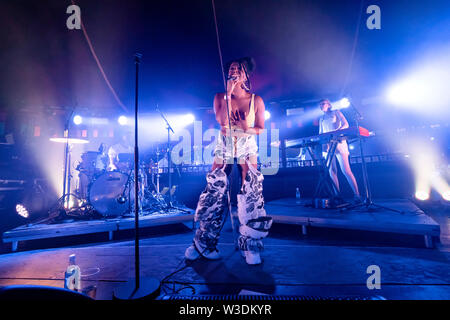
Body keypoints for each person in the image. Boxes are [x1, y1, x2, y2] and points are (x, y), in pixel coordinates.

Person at [184, 57, 272, 265]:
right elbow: (222, 121)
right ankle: (203, 242)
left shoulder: (256, 100)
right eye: (231, 68)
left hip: (247, 145)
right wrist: (228, 94)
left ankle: (250, 245)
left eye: (238, 68)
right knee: (215, 189)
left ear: (245, 74)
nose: (233, 70)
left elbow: (260, 128)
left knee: (250, 190)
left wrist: (244, 128)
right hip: (224, 144)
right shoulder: (219, 97)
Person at [318, 99, 360, 200]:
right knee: (332, 170)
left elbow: (346, 124)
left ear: (329, 104)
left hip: (339, 143)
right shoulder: (321, 118)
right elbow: (321, 133)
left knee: (346, 170)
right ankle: (337, 195)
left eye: (323, 103)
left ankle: (357, 195)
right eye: (320, 104)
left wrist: (336, 132)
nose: (321, 106)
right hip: (328, 145)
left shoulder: (336, 112)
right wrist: (323, 144)